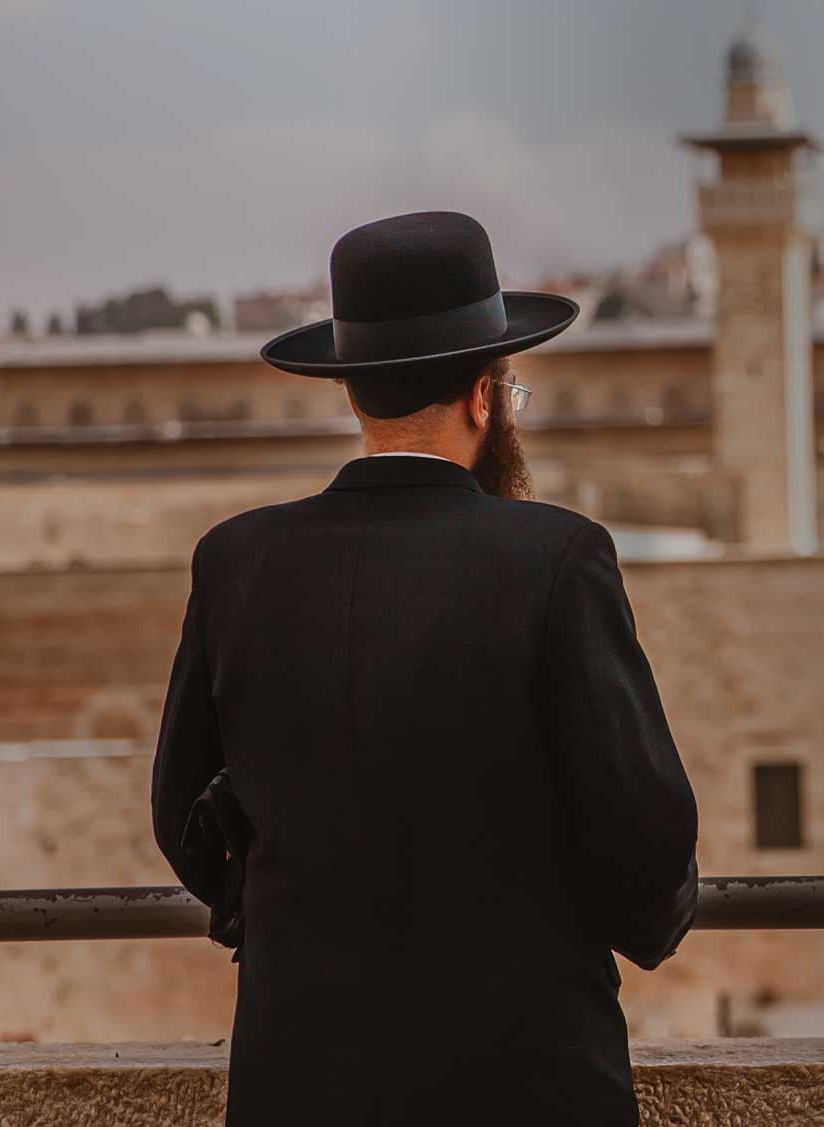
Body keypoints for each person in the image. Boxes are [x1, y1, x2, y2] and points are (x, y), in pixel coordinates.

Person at [152, 211, 699, 1126]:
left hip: (302, 1082)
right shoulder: (560, 559)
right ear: (486, 395)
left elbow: (182, 817)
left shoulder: (236, 561)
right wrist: (645, 922)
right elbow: (644, 833)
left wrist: (292, 914)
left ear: (354, 391)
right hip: (529, 1084)